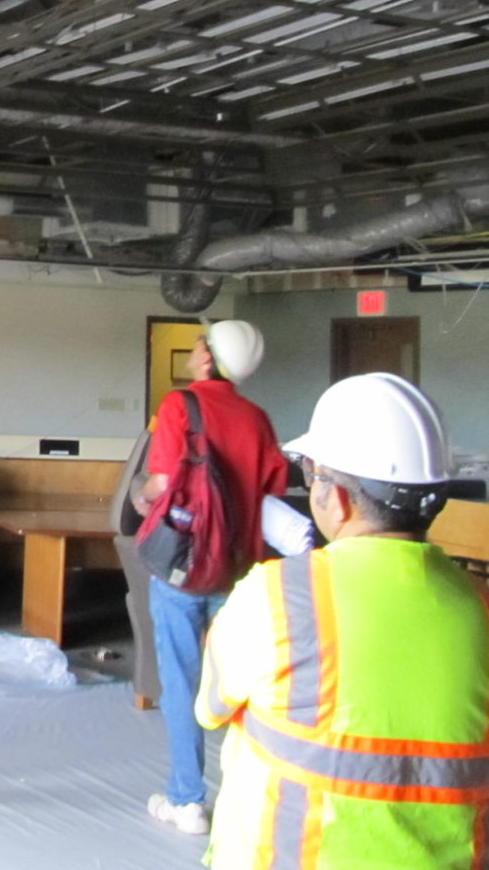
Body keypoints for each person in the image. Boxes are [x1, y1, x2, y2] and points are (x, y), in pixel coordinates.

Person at [198, 374, 489, 869]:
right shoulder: (479, 606)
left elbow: (211, 707)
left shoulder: (276, 598)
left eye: (313, 474)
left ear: (336, 497)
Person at [133, 318, 287, 836]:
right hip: (240, 570)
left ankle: (187, 799)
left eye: (201, 343)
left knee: (181, 679)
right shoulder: (260, 419)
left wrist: (139, 496)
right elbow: (272, 497)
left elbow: (161, 482)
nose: (197, 349)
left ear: (208, 357)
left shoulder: (181, 407)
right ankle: (251, 797)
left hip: (183, 566)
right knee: (245, 684)